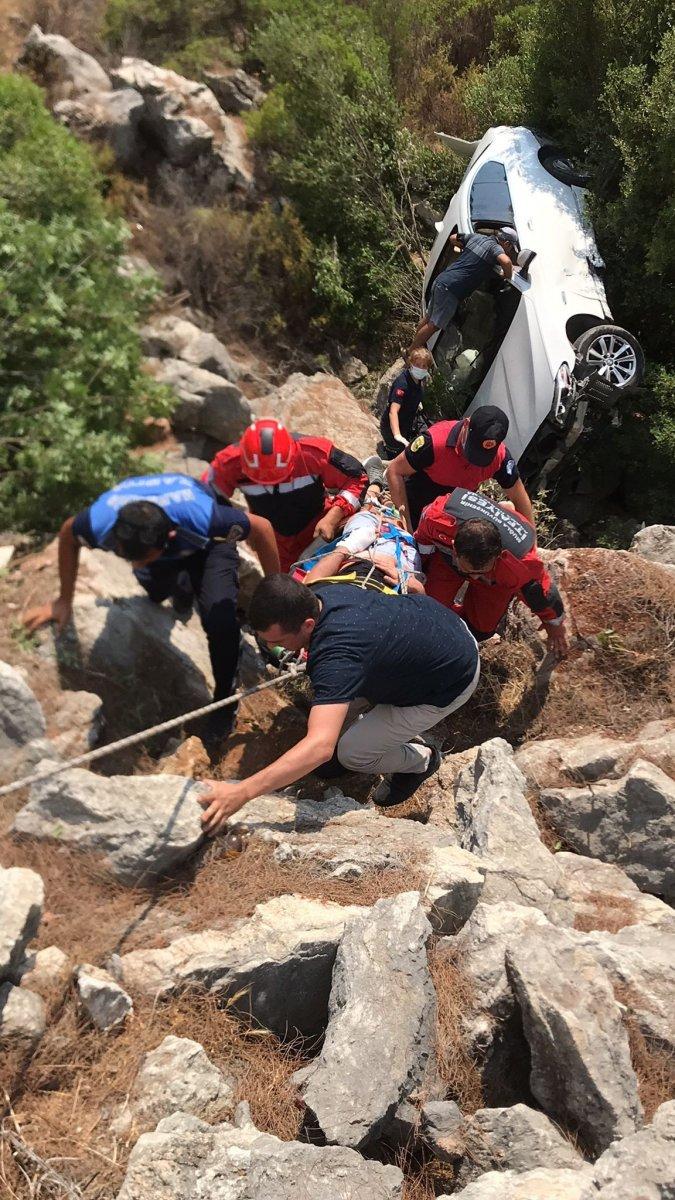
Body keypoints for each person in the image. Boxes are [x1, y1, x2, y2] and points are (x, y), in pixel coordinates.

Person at [197, 573, 480, 832]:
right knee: (331, 735)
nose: (273, 648)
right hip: (440, 629)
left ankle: (422, 759)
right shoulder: (321, 594)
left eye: (278, 640)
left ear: (307, 625)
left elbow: (320, 747)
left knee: (350, 753)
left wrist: (242, 792)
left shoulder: (337, 656)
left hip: (449, 680)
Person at [22, 473, 280, 750]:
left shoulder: (205, 516)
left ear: (168, 538)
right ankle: (184, 587)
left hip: (206, 544)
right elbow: (67, 533)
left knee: (219, 621)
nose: (133, 566)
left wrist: (276, 593)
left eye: (139, 559)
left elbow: (262, 527)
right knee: (157, 592)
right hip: (161, 548)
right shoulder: (100, 522)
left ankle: (224, 702)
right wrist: (63, 600)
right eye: (128, 558)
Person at [415, 487, 568, 656]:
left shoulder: (519, 563)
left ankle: (452, 634)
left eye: (479, 572)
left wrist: (554, 625)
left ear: (499, 556)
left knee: (481, 627)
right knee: (426, 608)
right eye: (469, 570)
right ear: (454, 548)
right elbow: (422, 540)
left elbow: (542, 593)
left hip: (495, 577)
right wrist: (419, 568)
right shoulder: (437, 520)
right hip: (448, 561)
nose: (473, 576)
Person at [205, 419, 369, 573]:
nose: (270, 482)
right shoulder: (229, 463)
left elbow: (357, 478)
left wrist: (333, 517)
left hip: (318, 526)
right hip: (274, 539)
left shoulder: (312, 453)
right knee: (285, 585)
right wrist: (243, 525)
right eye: (262, 478)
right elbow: (203, 501)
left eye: (276, 476)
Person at [387, 405, 534, 533]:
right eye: (473, 450)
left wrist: (531, 546)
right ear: (466, 424)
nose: (474, 461)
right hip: (417, 503)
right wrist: (406, 525)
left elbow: (519, 497)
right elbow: (395, 470)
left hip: (452, 514)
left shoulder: (500, 458)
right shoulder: (435, 442)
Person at [408, 227, 517, 354]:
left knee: (428, 319)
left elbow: (453, 238)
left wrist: (463, 250)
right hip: (452, 290)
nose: (508, 251)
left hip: (442, 280)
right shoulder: (495, 248)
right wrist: (506, 275)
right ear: (507, 243)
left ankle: (412, 346)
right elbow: (506, 261)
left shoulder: (476, 237)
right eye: (510, 248)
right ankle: (410, 352)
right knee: (434, 325)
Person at [380, 348, 433, 459]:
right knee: (396, 457)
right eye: (418, 364)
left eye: (424, 366)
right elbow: (393, 411)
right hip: (393, 428)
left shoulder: (418, 381)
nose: (421, 368)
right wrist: (397, 435)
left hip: (406, 425)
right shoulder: (402, 384)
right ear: (411, 363)